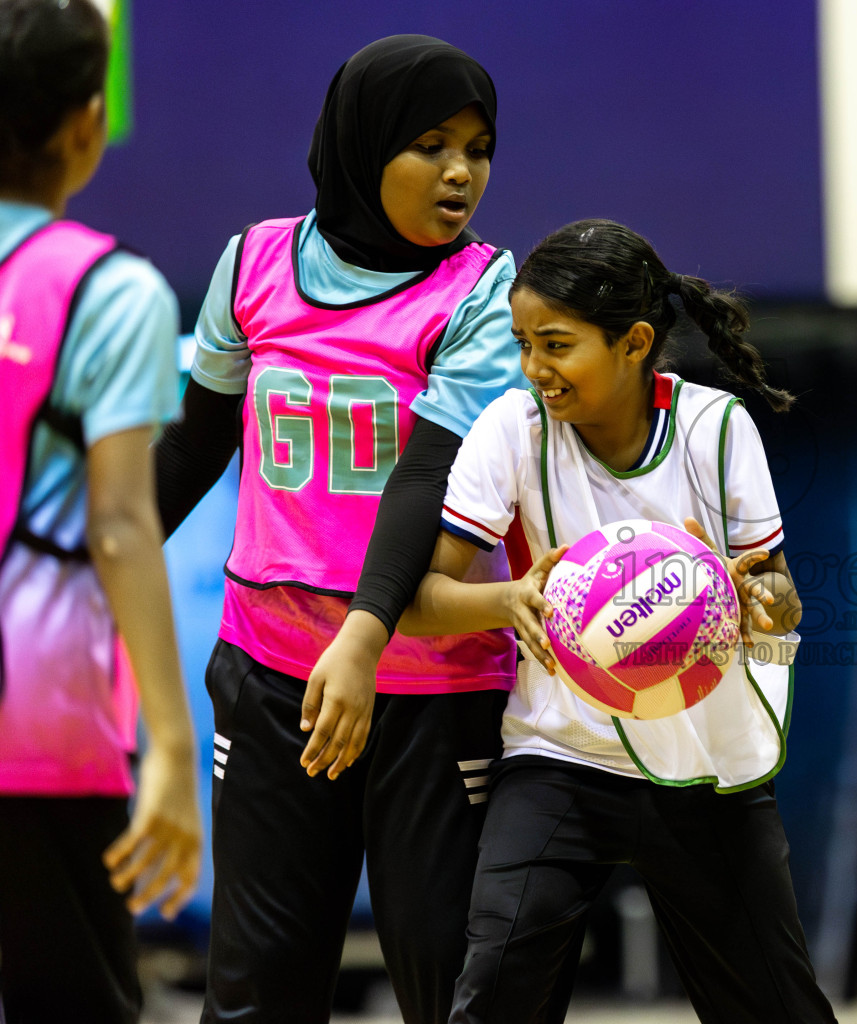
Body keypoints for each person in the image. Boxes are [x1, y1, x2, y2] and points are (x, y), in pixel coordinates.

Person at [346, 218, 836, 1023]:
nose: (536, 368)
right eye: (523, 344)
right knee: (493, 993)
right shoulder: (511, 431)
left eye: (557, 344)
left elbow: (780, 600)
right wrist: (508, 600)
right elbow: (423, 603)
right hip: (557, 755)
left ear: (635, 341)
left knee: (777, 1008)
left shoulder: (717, 430)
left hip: (705, 762)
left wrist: (766, 606)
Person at [152, 35, 526, 1024]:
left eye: (479, 148)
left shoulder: (484, 290)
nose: (461, 173)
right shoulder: (256, 263)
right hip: (274, 678)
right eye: (433, 144)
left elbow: (428, 471)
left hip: (427, 687)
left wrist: (364, 634)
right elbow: (194, 444)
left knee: (455, 991)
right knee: (254, 994)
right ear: (364, 147)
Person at [0, 1, 200, 1021]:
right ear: (87, 125)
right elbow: (121, 523)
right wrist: (170, 739)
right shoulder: (111, 291)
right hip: (37, 712)